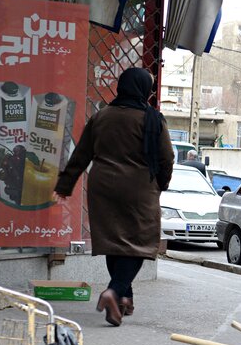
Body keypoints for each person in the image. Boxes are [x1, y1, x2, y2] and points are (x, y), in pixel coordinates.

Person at [53, 67, 174, 326]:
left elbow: (81, 153)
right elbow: (167, 158)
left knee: (114, 239)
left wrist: (65, 185)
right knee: (139, 243)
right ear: (145, 90)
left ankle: (123, 299)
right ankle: (114, 291)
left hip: (102, 187)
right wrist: (160, 185)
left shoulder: (102, 117)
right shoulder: (153, 119)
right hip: (139, 188)